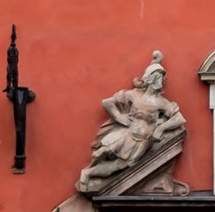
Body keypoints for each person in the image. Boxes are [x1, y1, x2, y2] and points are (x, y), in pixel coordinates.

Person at [77, 52, 188, 195]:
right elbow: (107, 103)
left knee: (123, 164)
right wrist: (119, 117)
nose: (159, 81)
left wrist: (161, 128)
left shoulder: (162, 102)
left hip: (142, 141)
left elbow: (179, 119)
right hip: (128, 133)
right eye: (157, 77)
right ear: (149, 78)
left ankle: (89, 173)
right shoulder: (134, 94)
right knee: (104, 151)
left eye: (161, 78)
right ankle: (89, 171)